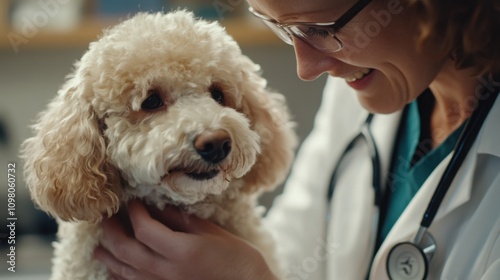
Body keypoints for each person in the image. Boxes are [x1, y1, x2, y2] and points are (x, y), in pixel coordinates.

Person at [93, 0, 500, 279]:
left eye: (322, 28)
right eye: (280, 27)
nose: (306, 67)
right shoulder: (357, 86)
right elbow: (293, 255)